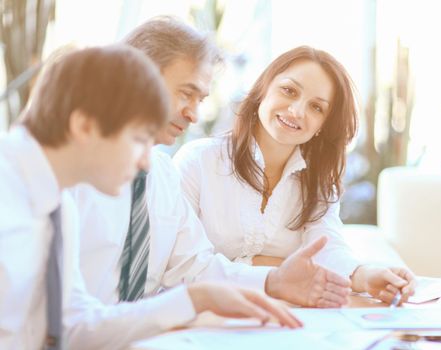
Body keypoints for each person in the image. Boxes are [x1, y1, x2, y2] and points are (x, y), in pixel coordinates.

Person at [68, 18, 347, 349]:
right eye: (187, 93)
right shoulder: (67, 178)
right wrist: (194, 300)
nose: (193, 115)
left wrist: (274, 281)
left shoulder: (161, 174)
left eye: (200, 99)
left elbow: (194, 266)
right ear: (137, 73)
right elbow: (65, 325)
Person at [0, 45, 298, 350]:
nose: (146, 162)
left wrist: (195, 299)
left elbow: (75, 326)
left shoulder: (57, 205)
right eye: (140, 139)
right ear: (84, 126)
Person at [173, 46, 417, 305]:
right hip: (198, 317)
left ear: (323, 125)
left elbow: (327, 247)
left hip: (281, 319)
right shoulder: (197, 161)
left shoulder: (318, 181)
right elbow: (182, 268)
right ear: (263, 90)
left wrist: (366, 276)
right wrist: (274, 272)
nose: (298, 111)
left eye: (316, 107)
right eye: (289, 91)